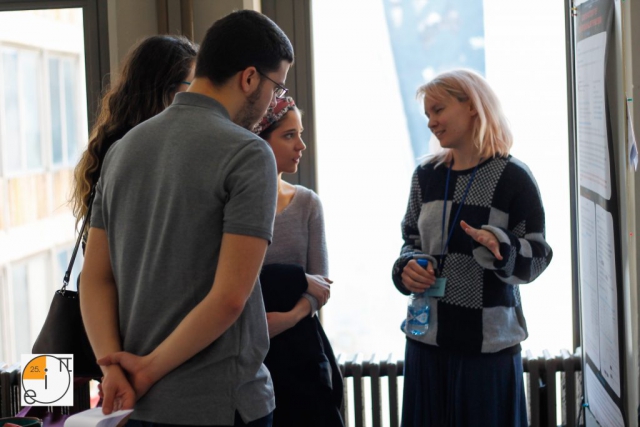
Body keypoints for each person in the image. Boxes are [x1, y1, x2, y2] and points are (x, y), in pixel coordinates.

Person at [79, 9, 294, 427]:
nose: (273, 102)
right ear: (250, 78)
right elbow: (229, 298)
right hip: (218, 402)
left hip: (136, 406)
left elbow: (96, 277)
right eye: (277, 86)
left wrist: (113, 368)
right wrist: (147, 370)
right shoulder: (248, 153)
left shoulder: (123, 149)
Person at [392, 69, 553, 427]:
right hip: (425, 343)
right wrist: (406, 269)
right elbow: (410, 243)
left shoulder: (514, 177)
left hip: (487, 352)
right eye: (427, 115)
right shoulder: (426, 176)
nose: (431, 122)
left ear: (473, 107)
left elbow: (539, 256)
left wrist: (503, 247)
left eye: (438, 110)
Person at [253, 97, 344, 427]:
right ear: (260, 140)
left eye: (300, 134)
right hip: (251, 351)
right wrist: (298, 279)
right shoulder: (234, 203)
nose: (301, 145)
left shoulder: (307, 203)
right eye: (289, 135)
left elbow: (322, 285)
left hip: (302, 350)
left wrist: (288, 319)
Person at [72, 35, 197, 229]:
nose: (200, 96)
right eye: (194, 85)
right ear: (166, 89)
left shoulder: (111, 142)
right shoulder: (134, 150)